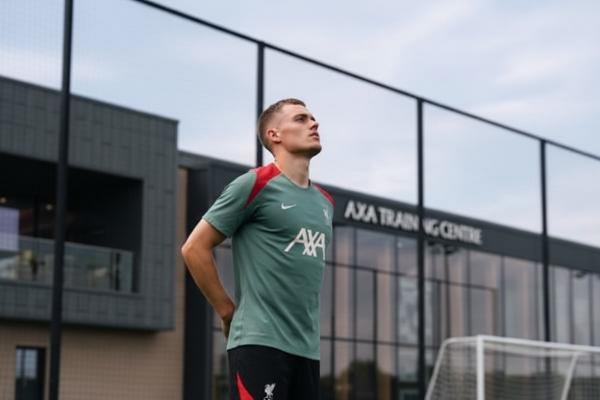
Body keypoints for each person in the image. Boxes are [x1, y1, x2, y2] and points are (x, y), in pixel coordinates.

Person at [181, 98, 334, 400]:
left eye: (313, 118)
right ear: (274, 135)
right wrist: (226, 310)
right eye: (301, 119)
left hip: (307, 350)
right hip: (259, 344)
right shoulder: (254, 184)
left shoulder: (325, 203)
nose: (314, 123)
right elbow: (194, 248)